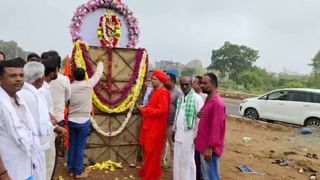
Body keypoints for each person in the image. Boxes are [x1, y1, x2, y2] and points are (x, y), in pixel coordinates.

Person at [18, 61, 66, 180]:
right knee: (43, 172)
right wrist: (53, 125)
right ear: (40, 79)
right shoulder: (37, 94)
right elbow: (40, 126)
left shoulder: (18, 92)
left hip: (25, 145)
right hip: (39, 144)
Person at [0, 58, 42, 180]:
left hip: (25, 168)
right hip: (9, 171)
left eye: (21, 75)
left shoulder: (19, 100)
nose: (18, 79)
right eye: (13, 76)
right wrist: (3, 175)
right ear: (1, 79)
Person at [68, 60, 104, 178]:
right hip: (83, 120)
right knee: (80, 146)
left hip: (72, 120)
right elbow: (98, 74)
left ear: (74, 77)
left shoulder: (70, 87)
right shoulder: (88, 84)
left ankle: (71, 170)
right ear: (84, 76)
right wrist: (100, 63)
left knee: (72, 144)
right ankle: (78, 172)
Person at [139, 70, 171, 180]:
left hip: (156, 129)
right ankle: (149, 173)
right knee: (148, 152)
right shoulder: (156, 91)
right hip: (150, 127)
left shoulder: (163, 93)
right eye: (152, 79)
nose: (152, 81)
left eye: (154, 79)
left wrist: (145, 110)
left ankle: (151, 176)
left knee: (153, 153)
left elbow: (162, 111)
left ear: (161, 81)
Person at [195, 73, 226, 180]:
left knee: (211, 176)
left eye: (204, 83)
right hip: (203, 144)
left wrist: (209, 147)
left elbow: (216, 128)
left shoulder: (218, 103)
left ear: (213, 85)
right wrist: (198, 114)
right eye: (201, 83)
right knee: (206, 175)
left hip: (209, 149)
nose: (201, 85)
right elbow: (205, 116)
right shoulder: (208, 99)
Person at [173, 76, 204, 180]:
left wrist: (197, 136)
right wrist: (174, 129)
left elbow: (200, 119)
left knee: (188, 161)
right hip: (178, 134)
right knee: (177, 159)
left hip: (190, 135)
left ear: (191, 84)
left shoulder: (197, 98)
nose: (184, 86)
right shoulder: (181, 98)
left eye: (186, 84)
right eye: (182, 84)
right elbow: (177, 115)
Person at [43, 51, 71, 158]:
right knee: (53, 151)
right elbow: (68, 97)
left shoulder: (37, 81)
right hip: (58, 118)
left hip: (46, 121)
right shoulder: (64, 79)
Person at [40, 58, 60, 179]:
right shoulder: (43, 90)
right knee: (47, 166)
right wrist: (55, 126)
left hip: (47, 131)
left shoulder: (44, 87)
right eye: (57, 70)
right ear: (52, 72)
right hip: (47, 133)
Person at [163, 72, 182, 167]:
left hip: (171, 123)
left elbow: (179, 110)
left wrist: (176, 126)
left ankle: (173, 164)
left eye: (167, 80)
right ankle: (163, 161)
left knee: (172, 144)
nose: (165, 81)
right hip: (162, 122)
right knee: (162, 143)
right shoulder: (163, 90)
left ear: (173, 81)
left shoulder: (178, 93)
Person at [192, 75, 207, 180]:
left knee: (199, 157)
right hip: (192, 131)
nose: (193, 84)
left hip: (200, 132)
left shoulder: (204, 98)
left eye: (194, 82)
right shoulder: (190, 96)